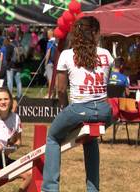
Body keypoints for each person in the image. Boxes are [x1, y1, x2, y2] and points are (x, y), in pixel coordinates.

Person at [41, 16, 113, 192]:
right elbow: (105, 84)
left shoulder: (67, 54)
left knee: (52, 138)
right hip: (105, 111)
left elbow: (61, 89)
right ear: (95, 33)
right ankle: (93, 189)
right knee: (90, 140)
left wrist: (65, 109)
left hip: (79, 109)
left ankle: (50, 188)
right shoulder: (107, 55)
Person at [6, 31, 23, 101]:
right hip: (18, 65)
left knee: (10, 81)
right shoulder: (19, 44)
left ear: (9, 37)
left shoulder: (9, 45)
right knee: (18, 81)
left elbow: (7, 57)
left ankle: (9, 95)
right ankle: (19, 95)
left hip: (11, 66)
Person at [44, 29, 57, 98]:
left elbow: (48, 53)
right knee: (54, 79)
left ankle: (49, 94)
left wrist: (45, 62)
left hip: (49, 63)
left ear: (49, 35)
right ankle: (54, 94)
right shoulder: (56, 42)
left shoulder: (49, 43)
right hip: (55, 63)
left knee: (50, 80)